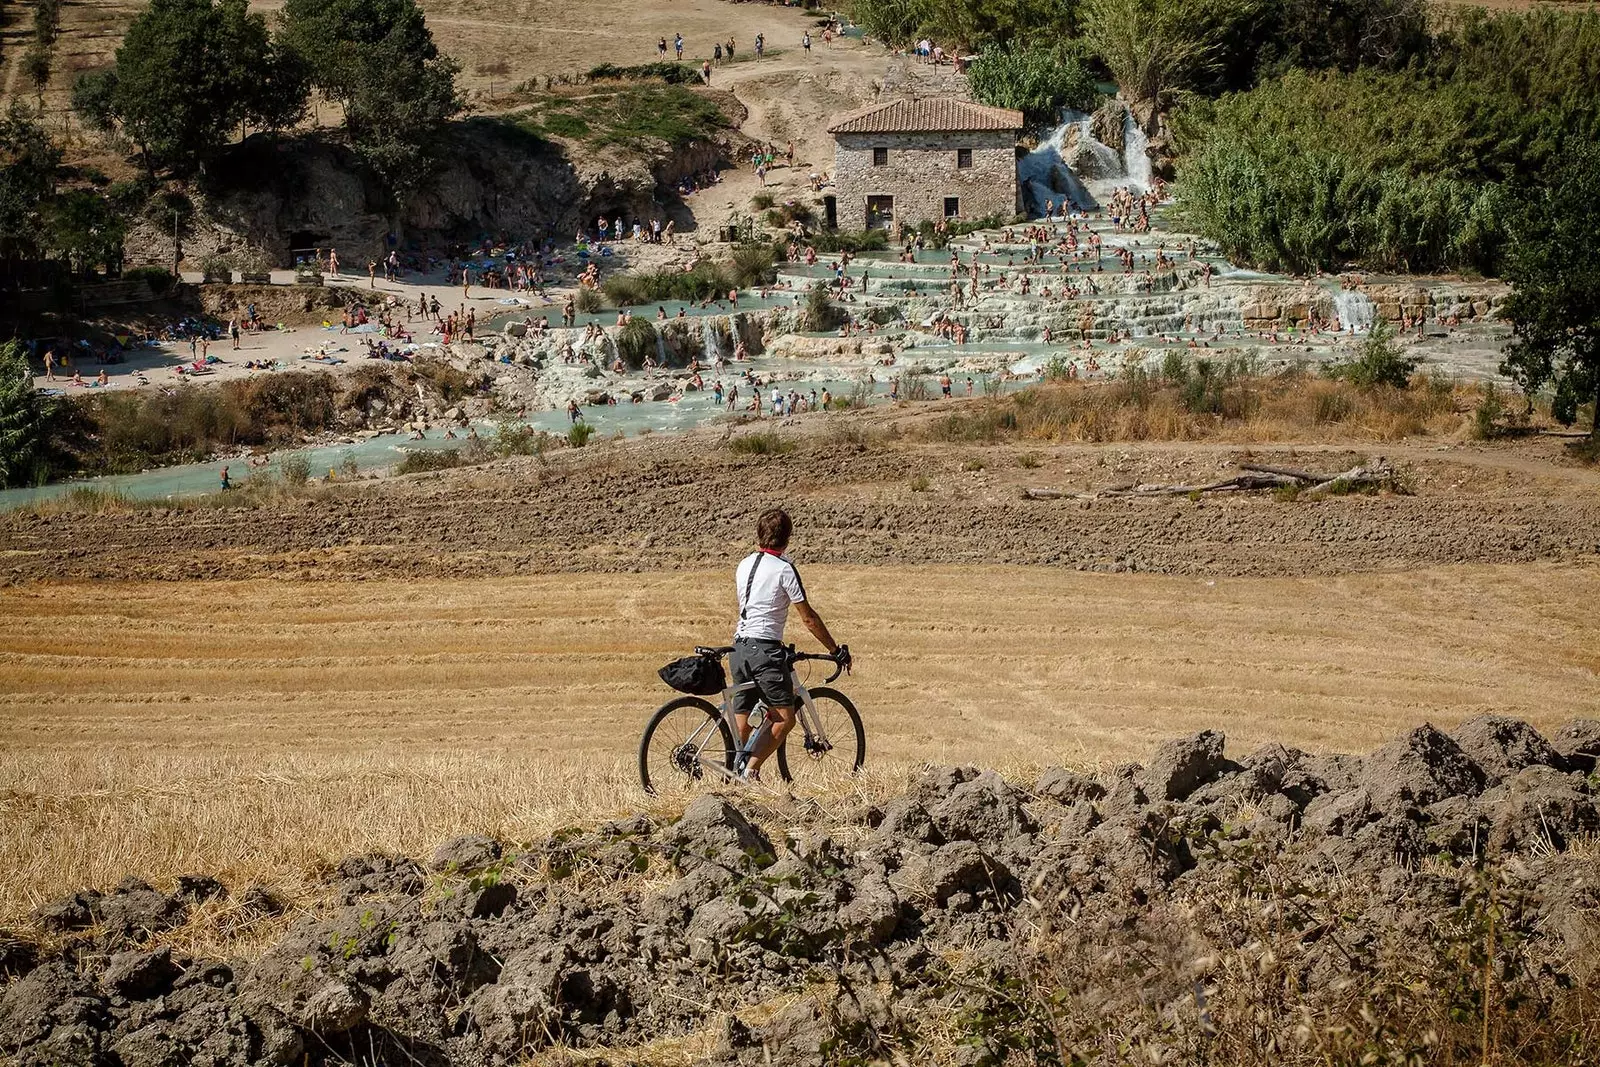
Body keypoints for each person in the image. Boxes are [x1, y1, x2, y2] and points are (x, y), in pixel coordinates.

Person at [730, 508, 848, 783]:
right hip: (765, 649)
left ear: (759, 534)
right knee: (785, 717)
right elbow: (808, 618)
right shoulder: (785, 569)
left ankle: (735, 767)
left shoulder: (744, 564)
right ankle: (750, 772)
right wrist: (834, 649)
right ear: (788, 537)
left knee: (742, 718)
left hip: (739, 646)